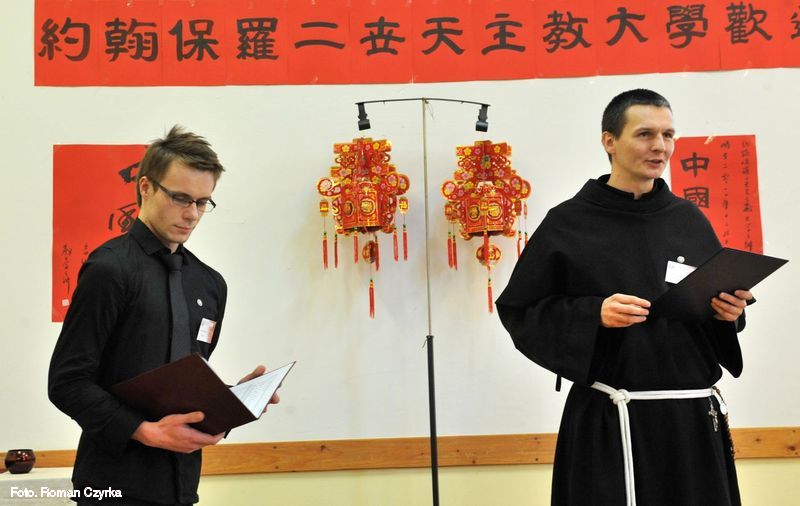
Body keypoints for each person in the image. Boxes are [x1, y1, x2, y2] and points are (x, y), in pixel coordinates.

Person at [496, 89, 753, 506]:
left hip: (690, 421)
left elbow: (710, 309)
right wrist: (593, 313)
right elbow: (521, 311)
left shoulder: (688, 219)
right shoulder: (568, 223)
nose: (660, 147)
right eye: (645, 134)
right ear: (609, 141)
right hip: (611, 417)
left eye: (668, 135)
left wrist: (729, 314)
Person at [49, 126, 277, 505]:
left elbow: (179, 384)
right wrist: (145, 431)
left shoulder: (209, 284)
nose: (192, 214)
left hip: (182, 486)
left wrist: (232, 402)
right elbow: (67, 382)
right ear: (146, 188)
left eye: (202, 202)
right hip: (112, 487)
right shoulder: (110, 269)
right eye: (180, 198)